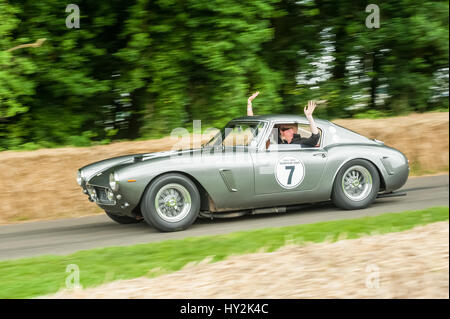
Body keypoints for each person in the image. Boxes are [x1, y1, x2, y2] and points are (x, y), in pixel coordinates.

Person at [247, 92, 320, 147]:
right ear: (281, 132)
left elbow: (315, 138)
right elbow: (253, 127)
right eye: (286, 129)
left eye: (291, 128)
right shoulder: (275, 140)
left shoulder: (300, 141)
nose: (291, 131)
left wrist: (310, 117)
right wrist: (249, 104)